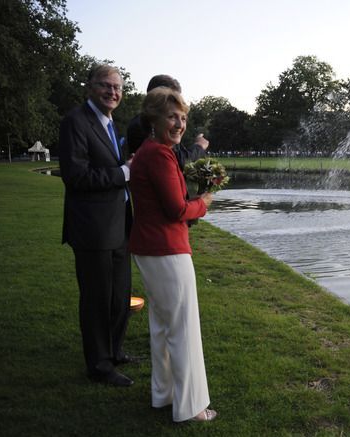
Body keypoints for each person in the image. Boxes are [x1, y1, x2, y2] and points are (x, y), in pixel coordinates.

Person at [128, 86, 217, 422]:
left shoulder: (149, 151)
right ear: (154, 119)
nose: (179, 124)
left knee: (163, 326)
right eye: (172, 117)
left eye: (183, 118)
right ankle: (191, 407)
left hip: (151, 248)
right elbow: (176, 208)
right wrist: (203, 204)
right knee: (182, 329)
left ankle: (164, 395)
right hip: (166, 249)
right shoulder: (160, 155)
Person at [59, 64, 135, 387]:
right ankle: (99, 366)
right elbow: (75, 176)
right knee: (96, 300)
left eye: (117, 87)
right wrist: (123, 174)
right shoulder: (75, 122)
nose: (112, 92)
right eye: (105, 85)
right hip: (92, 230)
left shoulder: (109, 123)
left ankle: (115, 351)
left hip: (119, 226)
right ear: (89, 86)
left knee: (120, 296)